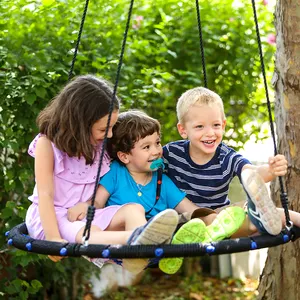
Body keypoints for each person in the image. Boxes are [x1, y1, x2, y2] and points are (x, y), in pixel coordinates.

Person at [25, 75, 180, 275]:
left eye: (112, 127)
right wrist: (53, 239)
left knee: (133, 209)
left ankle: (136, 256)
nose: (109, 135)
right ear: (80, 123)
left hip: (83, 214)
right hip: (52, 218)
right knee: (91, 234)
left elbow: (133, 152)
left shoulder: (98, 145)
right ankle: (140, 240)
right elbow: (45, 195)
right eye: (103, 129)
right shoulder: (47, 145)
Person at [68, 110, 247, 275]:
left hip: (158, 247)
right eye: (146, 147)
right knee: (133, 209)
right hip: (121, 246)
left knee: (188, 218)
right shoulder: (116, 172)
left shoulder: (162, 181)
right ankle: (138, 254)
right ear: (124, 156)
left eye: (157, 143)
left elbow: (191, 209)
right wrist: (85, 206)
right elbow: (97, 203)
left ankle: (211, 230)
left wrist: (212, 217)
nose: (156, 151)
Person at [162, 86, 300, 241]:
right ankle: (257, 223)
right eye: (200, 126)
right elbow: (146, 167)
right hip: (186, 221)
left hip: (223, 215)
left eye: (216, 125)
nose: (210, 133)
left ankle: (291, 217)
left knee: (244, 208)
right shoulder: (170, 153)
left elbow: (249, 172)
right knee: (229, 218)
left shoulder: (227, 156)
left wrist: (270, 169)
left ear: (223, 125)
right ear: (183, 130)